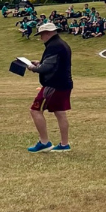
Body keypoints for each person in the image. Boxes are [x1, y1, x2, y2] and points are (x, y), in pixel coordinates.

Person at [26, 23, 74, 153]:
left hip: (53, 85)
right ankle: (64, 144)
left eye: (41, 35)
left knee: (35, 110)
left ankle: (44, 142)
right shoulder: (62, 44)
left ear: (47, 33)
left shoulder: (54, 46)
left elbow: (47, 68)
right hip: (64, 84)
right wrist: (40, 63)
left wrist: (33, 68)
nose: (41, 38)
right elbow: (54, 63)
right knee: (60, 112)